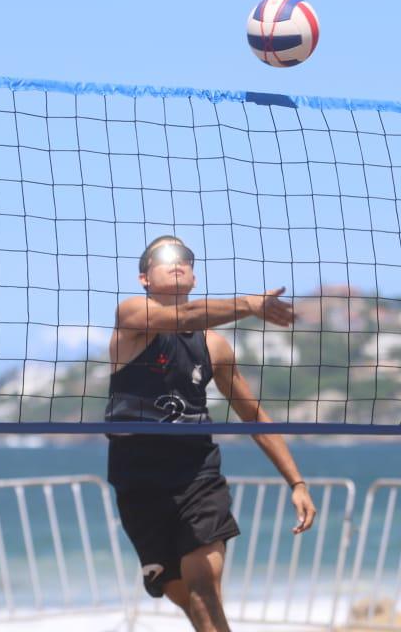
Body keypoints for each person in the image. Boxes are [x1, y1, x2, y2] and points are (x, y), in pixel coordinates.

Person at [105, 235, 318, 632]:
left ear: (194, 276)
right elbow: (184, 318)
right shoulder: (131, 316)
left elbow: (253, 415)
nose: (176, 262)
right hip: (138, 480)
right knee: (181, 592)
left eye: (184, 257)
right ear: (143, 278)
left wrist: (297, 481)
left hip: (196, 474)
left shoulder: (215, 347)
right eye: (163, 257)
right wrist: (249, 304)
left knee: (203, 581)